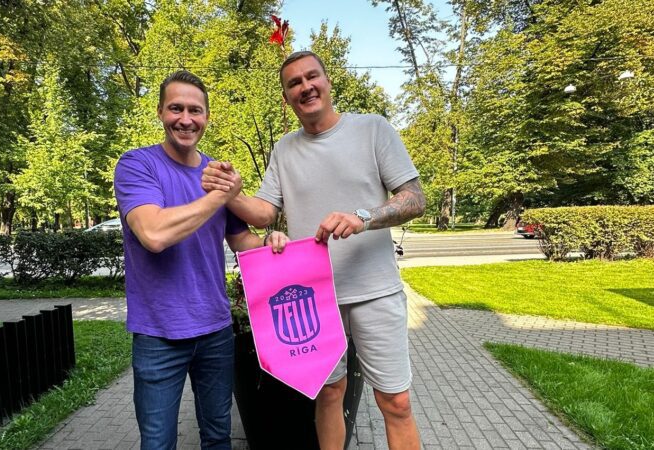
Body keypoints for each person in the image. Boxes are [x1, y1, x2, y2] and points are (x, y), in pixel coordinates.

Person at [202, 51, 425, 450]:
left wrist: (364, 217)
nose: (305, 87)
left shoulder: (373, 129)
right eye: (294, 83)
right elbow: (265, 212)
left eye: (311, 77)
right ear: (286, 97)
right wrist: (232, 193)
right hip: (313, 299)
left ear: (327, 81)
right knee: (329, 394)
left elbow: (414, 199)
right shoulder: (284, 149)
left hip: (375, 290)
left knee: (395, 401)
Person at [114, 70, 286, 450]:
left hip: (215, 330)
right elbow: (153, 234)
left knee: (218, 437)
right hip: (159, 333)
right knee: (158, 443)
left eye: (195, 110)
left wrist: (270, 242)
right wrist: (221, 194)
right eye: (175, 108)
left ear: (206, 116)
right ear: (160, 112)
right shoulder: (137, 165)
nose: (186, 119)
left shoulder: (215, 174)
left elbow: (241, 240)